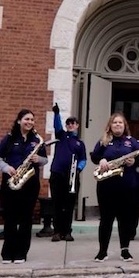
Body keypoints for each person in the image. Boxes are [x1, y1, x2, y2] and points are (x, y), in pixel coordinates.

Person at [0, 109, 48, 264]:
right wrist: (7, 168)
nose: (30, 122)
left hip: (30, 183)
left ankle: (21, 253)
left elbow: (45, 160)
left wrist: (39, 159)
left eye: (32, 119)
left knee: (25, 218)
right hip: (11, 182)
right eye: (26, 119)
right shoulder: (9, 139)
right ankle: (7, 253)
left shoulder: (37, 140)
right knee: (10, 217)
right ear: (19, 121)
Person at [90, 112, 139, 262]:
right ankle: (102, 251)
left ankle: (125, 250)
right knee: (106, 220)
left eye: (120, 123)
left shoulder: (132, 142)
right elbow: (94, 156)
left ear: (125, 126)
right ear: (110, 126)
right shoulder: (104, 141)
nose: (118, 125)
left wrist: (134, 162)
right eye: (115, 123)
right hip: (106, 186)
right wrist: (102, 159)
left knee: (125, 220)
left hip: (127, 186)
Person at [50, 103, 87, 242]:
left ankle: (67, 232)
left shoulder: (80, 143)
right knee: (57, 204)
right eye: (68, 123)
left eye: (73, 123)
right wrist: (56, 114)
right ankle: (57, 231)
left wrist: (78, 169)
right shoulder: (61, 135)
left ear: (77, 125)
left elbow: (83, 159)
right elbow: (57, 126)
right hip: (57, 174)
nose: (70, 125)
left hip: (72, 177)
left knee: (69, 205)